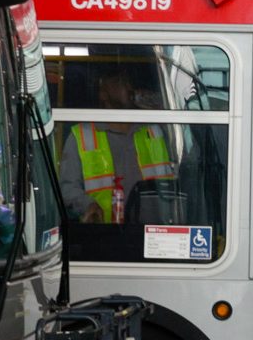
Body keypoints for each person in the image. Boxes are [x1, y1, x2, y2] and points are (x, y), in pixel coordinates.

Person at [58, 67, 175, 226]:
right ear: (103, 93)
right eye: (120, 82)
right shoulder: (82, 135)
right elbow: (68, 189)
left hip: (154, 234)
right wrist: (88, 205)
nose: (129, 87)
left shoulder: (153, 130)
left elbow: (180, 171)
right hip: (104, 235)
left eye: (129, 82)